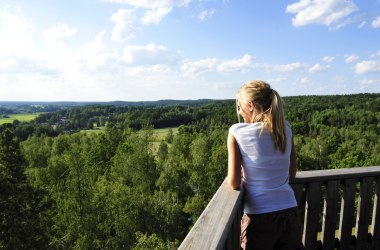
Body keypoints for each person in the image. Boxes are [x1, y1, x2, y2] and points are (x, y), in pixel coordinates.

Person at [227, 80, 303, 250]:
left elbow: (233, 183)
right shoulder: (285, 129)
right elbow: (291, 174)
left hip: (259, 216)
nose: (240, 111)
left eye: (240, 106)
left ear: (251, 105)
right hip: (289, 212)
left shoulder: (237, 132)